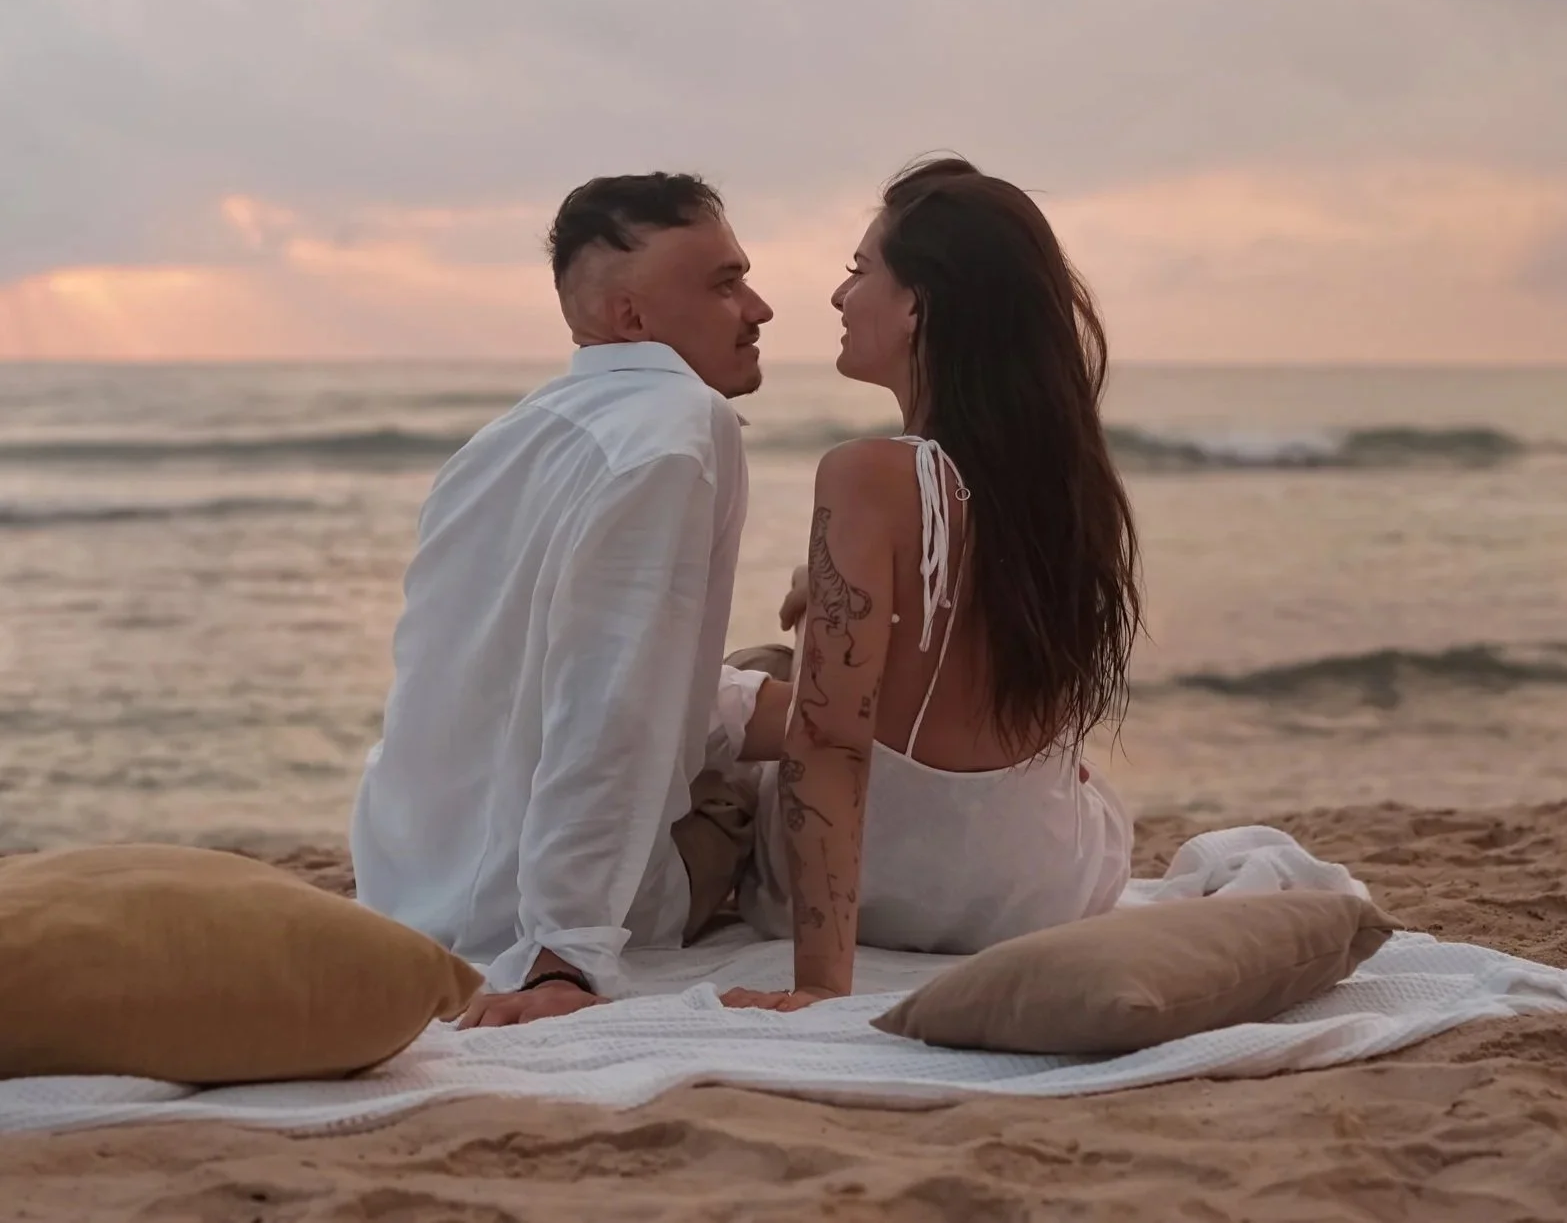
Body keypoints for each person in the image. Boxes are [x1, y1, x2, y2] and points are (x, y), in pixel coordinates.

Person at [350, 171, 786, 1030]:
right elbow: (609, 709)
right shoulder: (677, 432)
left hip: (408, 888)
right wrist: (567, 956)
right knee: (793, 698)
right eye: (724, 283)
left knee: (759, 683)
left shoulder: (497, 443)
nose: (760, 307)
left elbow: (529, 676)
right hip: (527, 921)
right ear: (632, 318)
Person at [724, 156, 1142, 1011]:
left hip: (890, 884)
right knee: (777, 663)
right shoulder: (1068, 482)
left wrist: (819, 987)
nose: (840, 298)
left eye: (858, 270)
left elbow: (831, 741)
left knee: (749, 682)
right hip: (1042, 887)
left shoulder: (866, 475)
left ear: (916, 304)